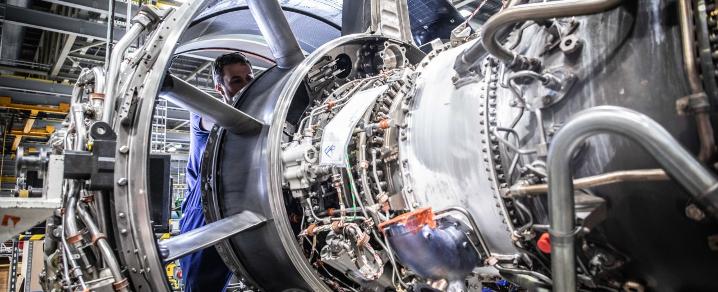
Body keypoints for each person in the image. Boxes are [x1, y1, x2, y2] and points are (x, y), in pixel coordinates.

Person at [179, 52, 254, 292]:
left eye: (249, 78)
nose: (246, 85)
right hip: (202, 209)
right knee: (201, 287)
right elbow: (230, 123)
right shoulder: (207, 112)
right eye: (236, 81)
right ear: (219, 88)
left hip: (237, 204)